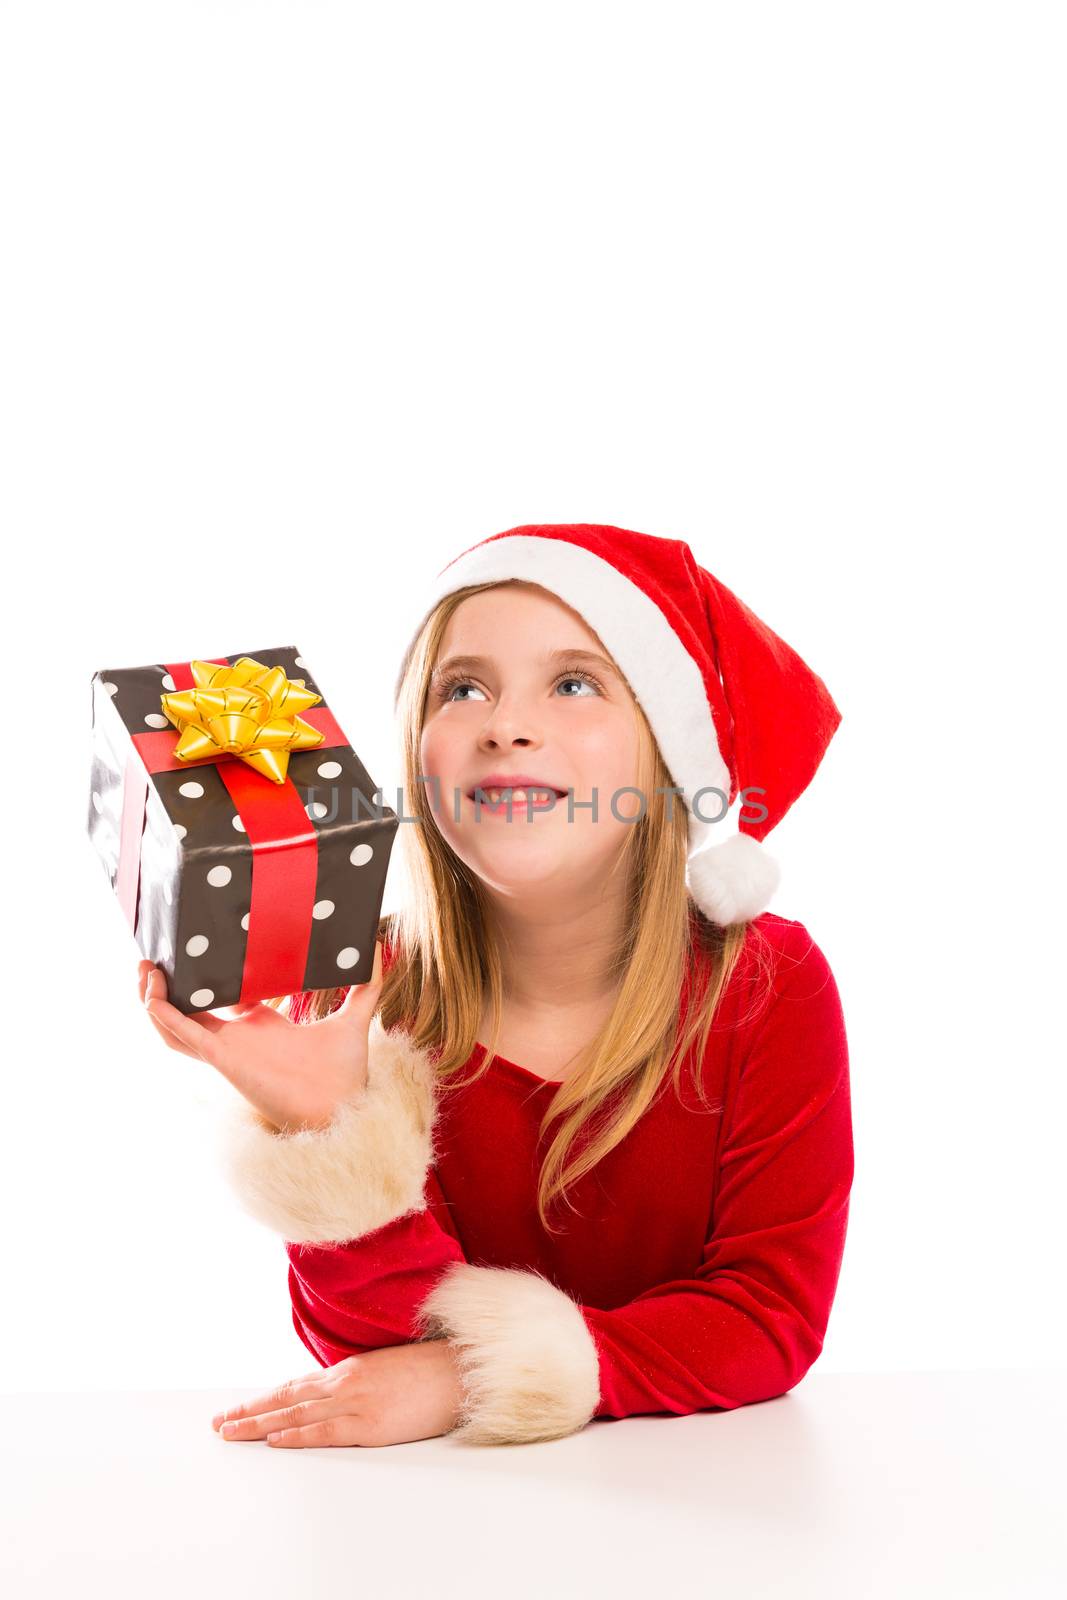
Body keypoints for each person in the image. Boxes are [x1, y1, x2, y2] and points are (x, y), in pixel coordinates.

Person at [140, 521, 853, 1450]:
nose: (504, 724)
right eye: (462, 687)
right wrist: (327, 1128)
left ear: (667, 755)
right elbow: (366, 1360)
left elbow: (766, 1319)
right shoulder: (360, 993)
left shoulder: (764, 984)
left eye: (573, 683)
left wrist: (473, 1373)